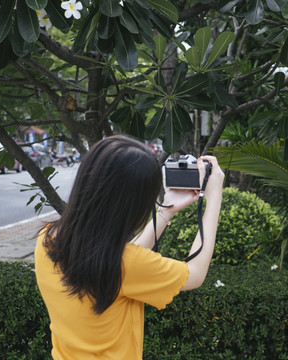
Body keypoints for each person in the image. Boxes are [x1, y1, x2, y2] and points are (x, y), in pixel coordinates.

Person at [34, 135, 224, 359]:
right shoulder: (124, 265)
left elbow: (119, 262)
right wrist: (213, 198)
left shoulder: (48, 240)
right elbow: (196, 273)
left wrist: (167, 210)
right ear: (130, 206)